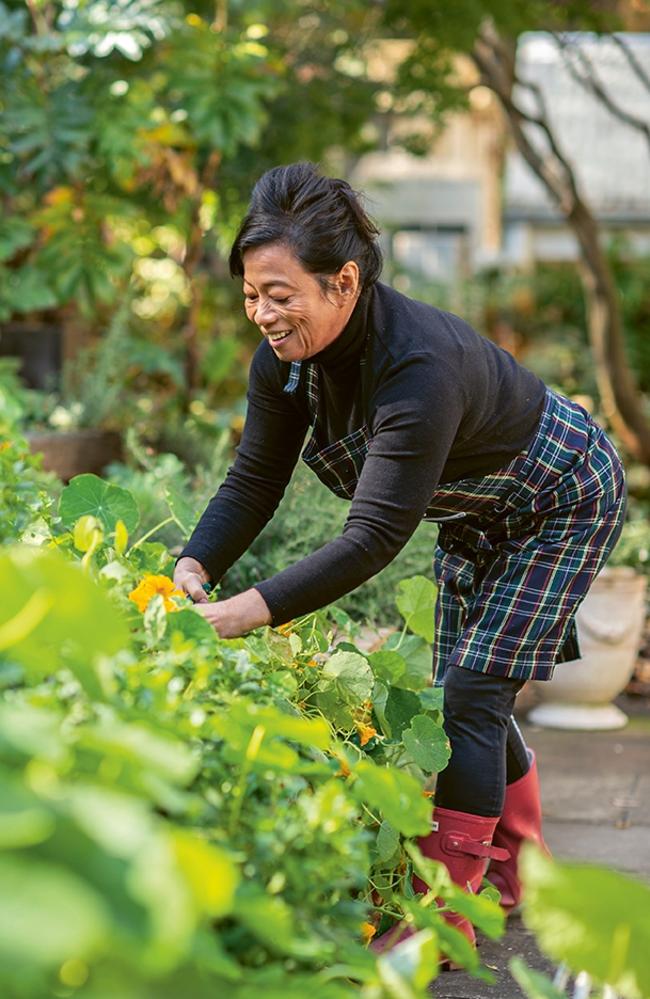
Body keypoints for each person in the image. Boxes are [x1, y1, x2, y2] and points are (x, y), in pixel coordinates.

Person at [174, 161, 627, 958]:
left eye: (282, 295)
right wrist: (195, 563)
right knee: (469, 690)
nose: (263, 314)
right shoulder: (282, 365)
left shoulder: (416, 368)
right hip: (480, 513)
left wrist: (249, 608)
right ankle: (521, 870)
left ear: (343, 281)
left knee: (472, 694)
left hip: (562, 497)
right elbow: (254, 478)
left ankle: (445, 917)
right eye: (251, 293)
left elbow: (373, 537)